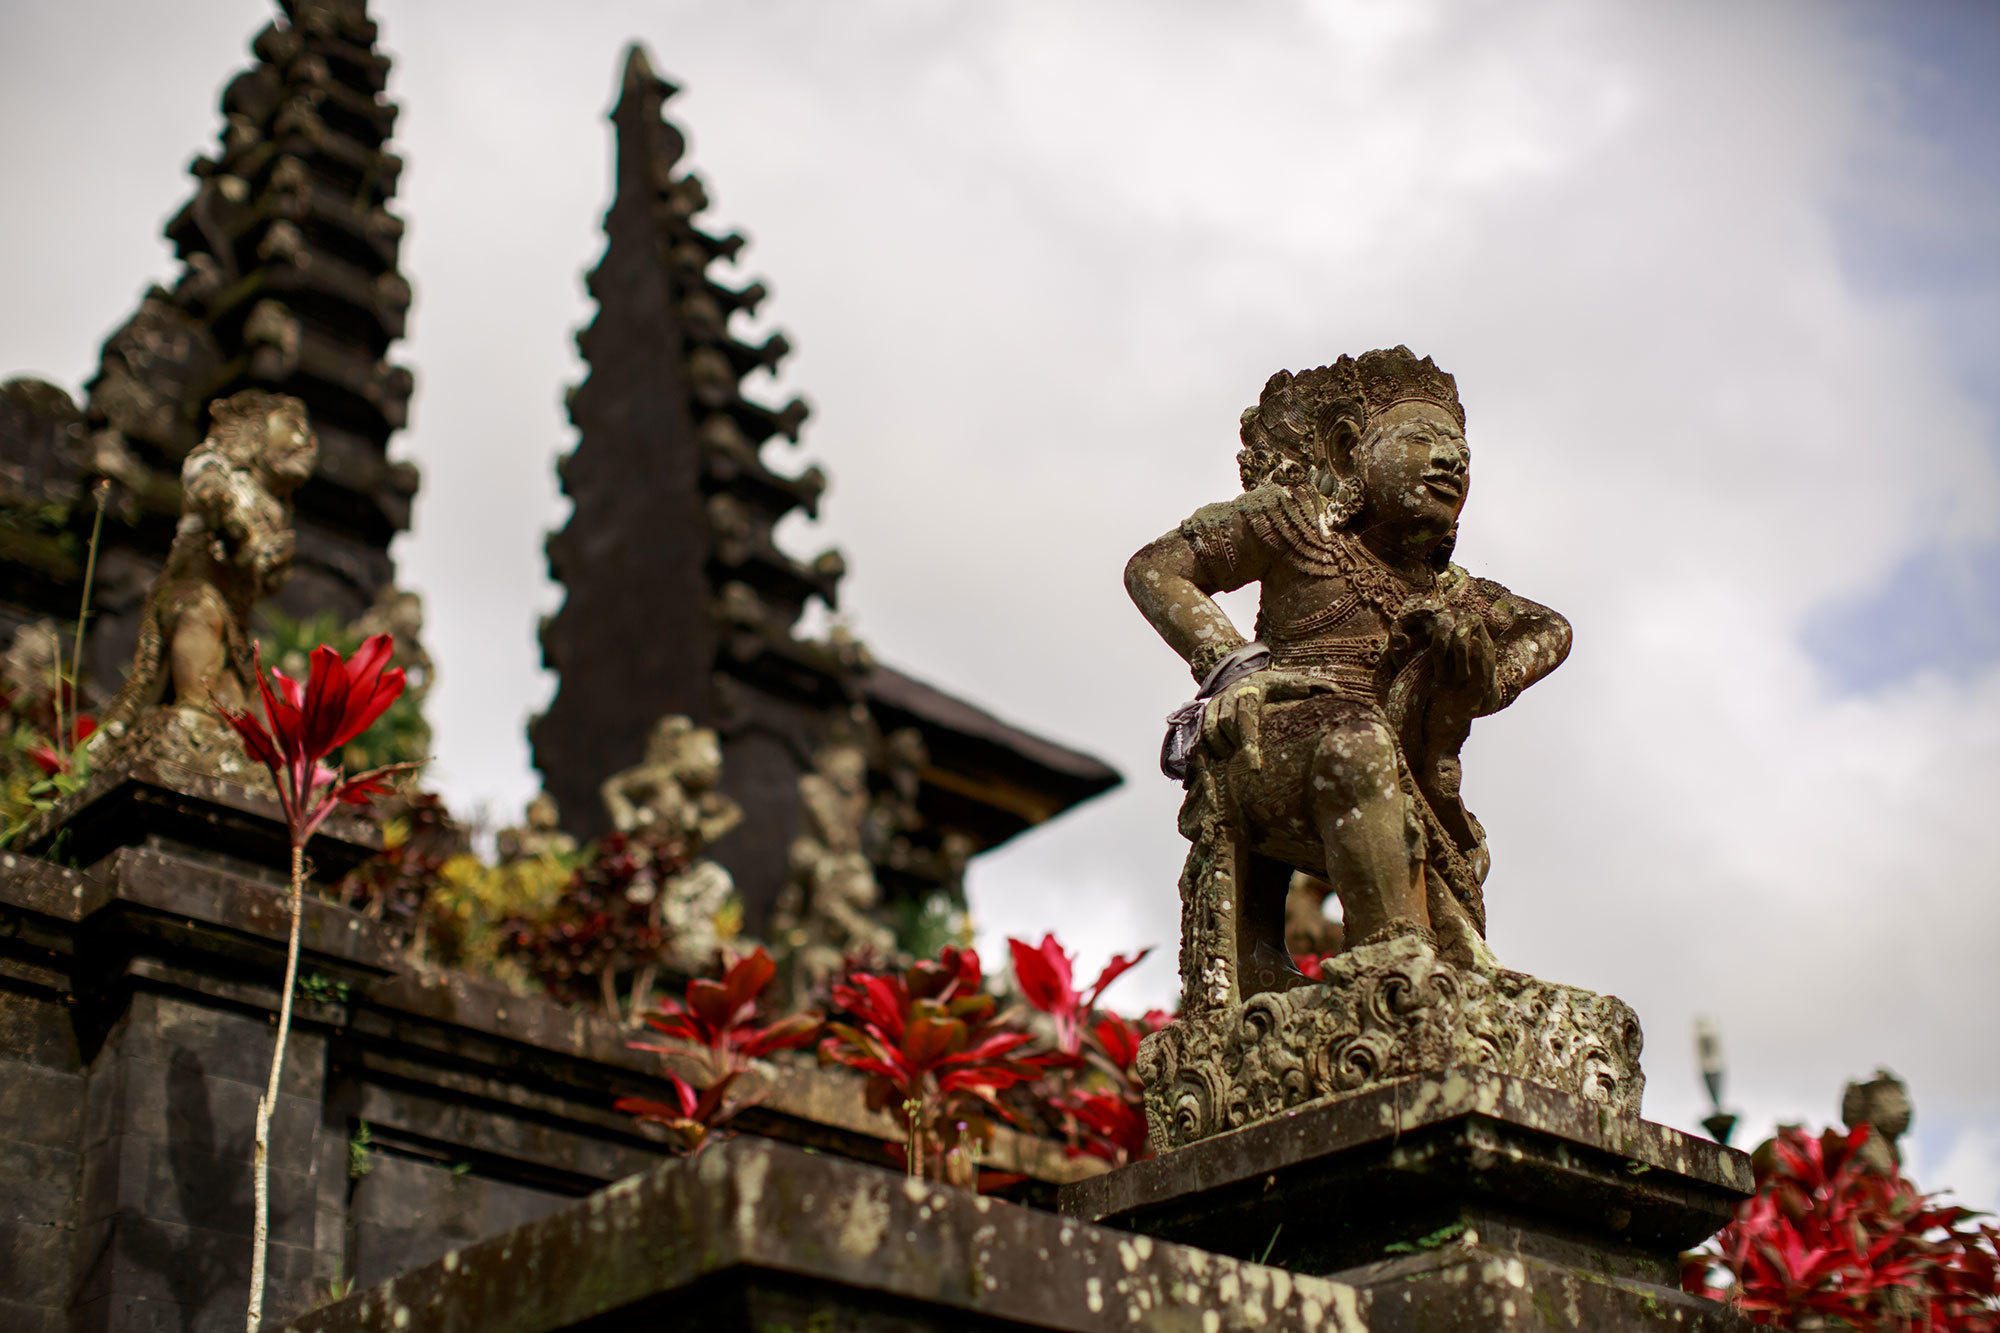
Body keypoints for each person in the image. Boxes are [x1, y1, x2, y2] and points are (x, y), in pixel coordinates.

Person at [1124, 347, 1569, 975]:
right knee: (1359, 746)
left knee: (1405, 785)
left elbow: (1551, 628)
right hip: (1276, 743)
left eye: (1462, 453)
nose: (1451, 461)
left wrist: (1486, 679)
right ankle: (1394, 962)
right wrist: (1235, 670)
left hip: (1396, 766)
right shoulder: (1298, 522)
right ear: (1346, 449)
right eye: (1422, 439)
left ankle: (1408, 961)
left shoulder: (1447, 591)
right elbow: (1155, 569)